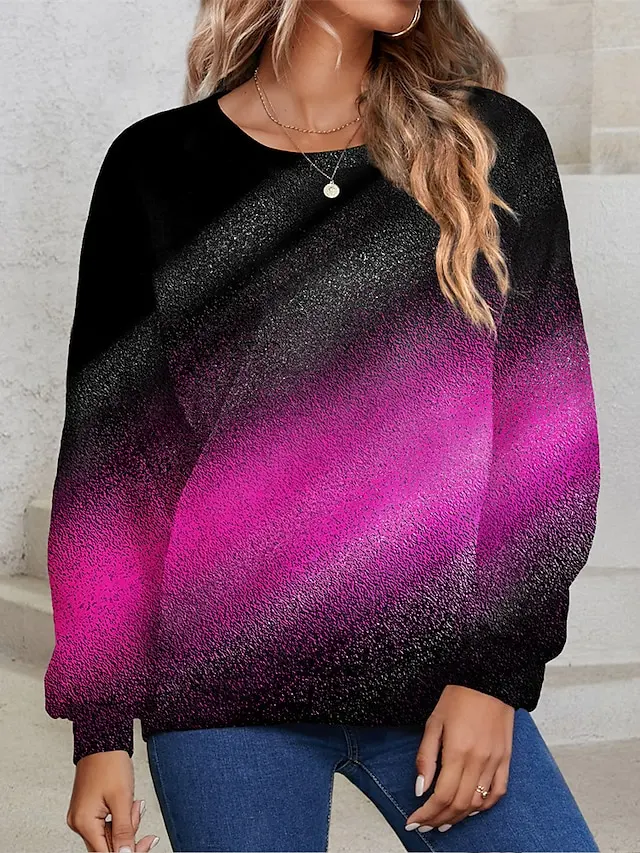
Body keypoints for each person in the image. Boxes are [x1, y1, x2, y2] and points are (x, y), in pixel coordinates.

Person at [44, 1, 601, 851]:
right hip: (223, 682)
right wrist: (100, 729)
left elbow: (549, 439)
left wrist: (495, 676)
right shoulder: (154, 167)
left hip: (438, 677)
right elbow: (112, 468)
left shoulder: (488, 143)